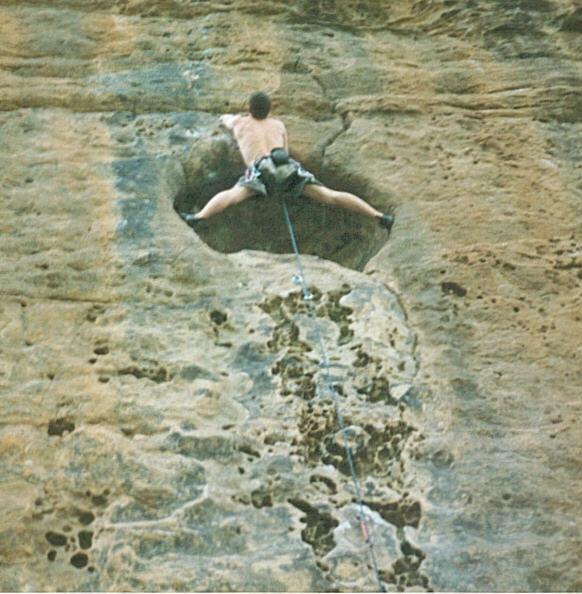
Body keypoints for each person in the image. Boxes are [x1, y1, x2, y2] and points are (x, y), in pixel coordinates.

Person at [179, 91, 394, 232]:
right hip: (286, 167)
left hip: (260, 168)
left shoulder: (240, 123)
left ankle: (199, 217)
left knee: (234, 195)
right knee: (330, 196)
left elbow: (224, 119)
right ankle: (379, 216)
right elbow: (286, 150)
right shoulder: (278, 125)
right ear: (269, 110)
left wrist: (225, 117)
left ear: (249, 110)